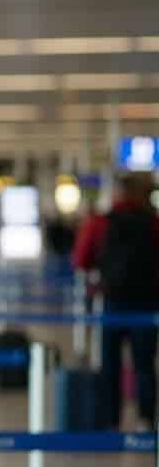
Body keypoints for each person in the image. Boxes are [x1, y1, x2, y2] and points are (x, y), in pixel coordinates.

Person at [72, 172, 159, 431]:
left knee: (110, 364)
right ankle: (146, 420)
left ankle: (112, 421)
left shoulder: (101, 222)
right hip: (147, 304)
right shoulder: (154, 222)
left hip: (112, 302)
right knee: (144, 364)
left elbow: (80, 259)